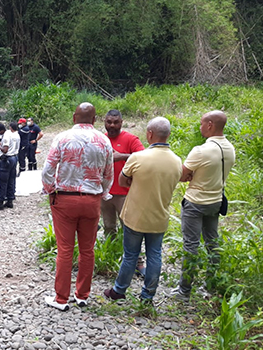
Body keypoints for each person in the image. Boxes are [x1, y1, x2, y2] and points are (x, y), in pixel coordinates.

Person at [42, 103, 113, 311]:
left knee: (65, 249)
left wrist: (50, 190)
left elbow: (48, 169)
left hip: (65, 198)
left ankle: (61, 299)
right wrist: (102, 192)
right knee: (87, 249)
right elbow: (108, 174)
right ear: (94, 119)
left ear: (74, 117)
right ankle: (82, 296)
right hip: (91, 200)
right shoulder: (104, 140)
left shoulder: (62, 138)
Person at [104, 117, 182, 304]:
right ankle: (148, 296)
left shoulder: (138, 157)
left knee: (130, 254)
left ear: (149, 134)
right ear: (168, 135)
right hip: (159, 216)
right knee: (154, 254)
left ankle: (119, 290)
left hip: (135, 215)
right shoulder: (177, 161)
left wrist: (136, 180)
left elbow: (123, 181)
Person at [171, 110, 236, 301]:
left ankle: (184, 290)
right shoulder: (230, 148)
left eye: (201, 124)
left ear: (209, 125)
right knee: (212, 244)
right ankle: (210, 287)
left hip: (196, 202)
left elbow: (182, 175)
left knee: (191, 245)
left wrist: (191, 174)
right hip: (216, 201)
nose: (200, 127)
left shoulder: (201, 150)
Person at [100, 110, 146, 275]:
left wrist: (123, 156)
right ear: (104, 122)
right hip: (104, 193)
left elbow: (144, 157)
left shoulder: (130, 139)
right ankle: (111, 259)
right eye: (109, 122)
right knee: (108, 227)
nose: (112, 125)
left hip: (125, 193)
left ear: (121, 122)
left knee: (130, 228)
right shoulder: (101, 139)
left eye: (116, 122)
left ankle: (138, 262)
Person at [0, 122, 20, 210]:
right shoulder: (16, 135)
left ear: (0, 131)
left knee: (3, 181)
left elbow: (5, 150)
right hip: (15, 157)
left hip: (7, 159)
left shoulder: (6, 136)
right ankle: (10, 200)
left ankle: (0, 202)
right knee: (11, 180)